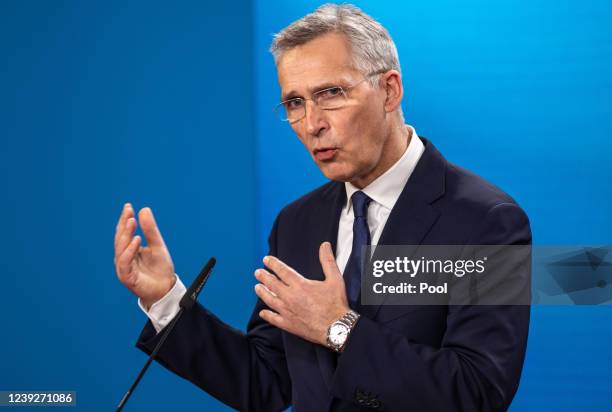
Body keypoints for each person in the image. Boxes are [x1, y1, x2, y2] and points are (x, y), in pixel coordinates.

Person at [114, 4, 531, 411]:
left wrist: (340, 328)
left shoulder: (485, 220)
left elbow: (478, 392)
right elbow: (265, 384)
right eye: (294, 103)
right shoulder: (297, 223)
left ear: (389, 90)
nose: (312, 123)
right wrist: (166, 299)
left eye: (331, 93)